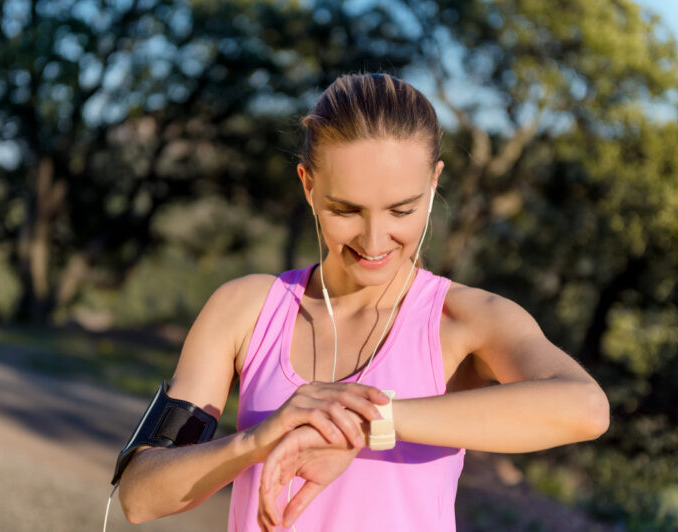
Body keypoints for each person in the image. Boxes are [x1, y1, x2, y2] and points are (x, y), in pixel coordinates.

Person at [116, 72, 610, 531]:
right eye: (345, 209)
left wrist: (358, 423)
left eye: (402, 209)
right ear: (308, 185)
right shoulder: (244, 309)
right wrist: (259, 440)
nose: (375, 242)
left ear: (434, 183)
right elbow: (139, 497)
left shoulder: (463, 320)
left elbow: (585, 407)